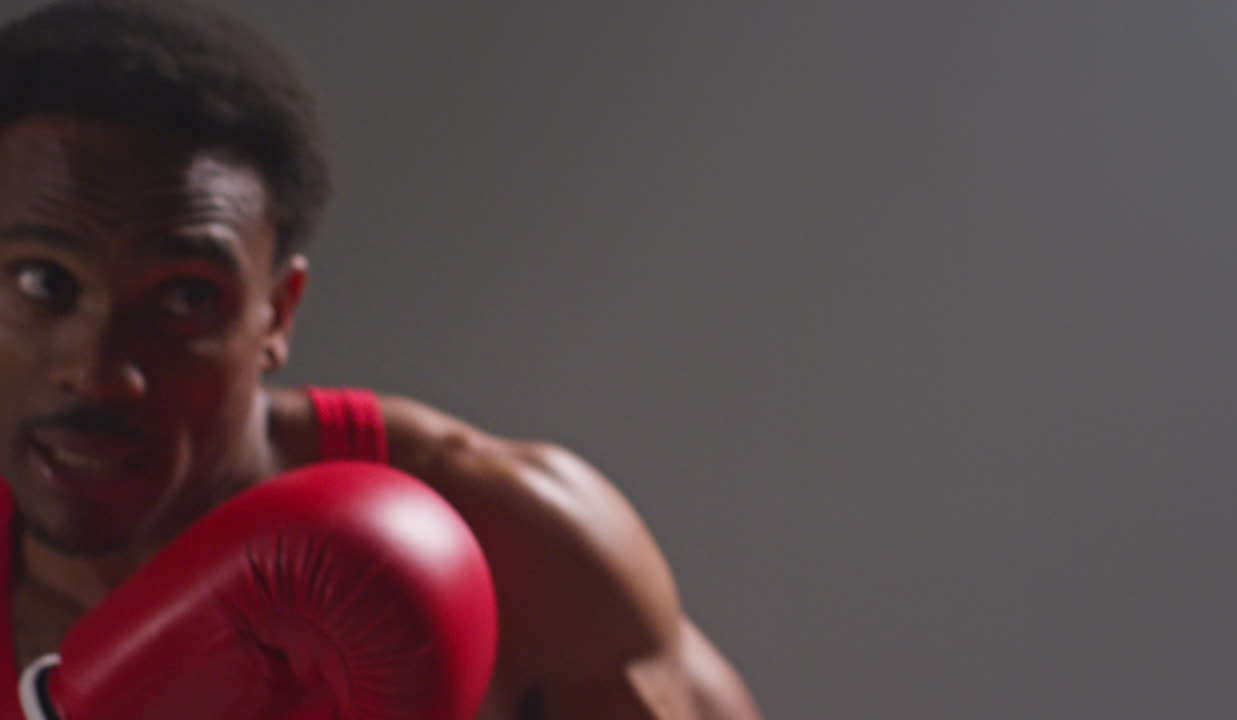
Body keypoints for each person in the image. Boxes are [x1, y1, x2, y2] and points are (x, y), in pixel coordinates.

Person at [0, 1, 764, 718]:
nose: (98, 370)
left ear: (278, 313)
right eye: (41, 282)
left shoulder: (522, 550)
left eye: (185, 299)